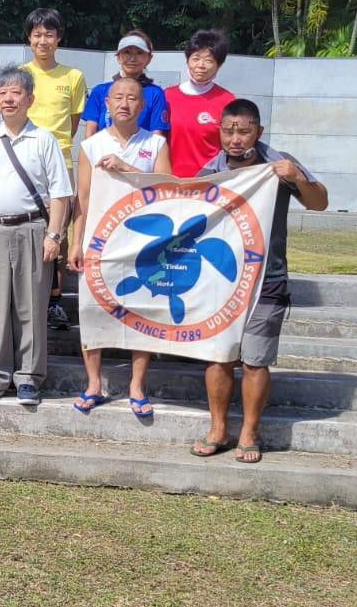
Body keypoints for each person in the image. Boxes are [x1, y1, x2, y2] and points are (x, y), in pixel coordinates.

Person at [192, 99, 329, 463]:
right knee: (218, 357)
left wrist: (297, 177)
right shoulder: (211, 171)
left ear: (259, 131)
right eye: (228, 131)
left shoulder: (279, 165)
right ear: (220, 132)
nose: (235, 139)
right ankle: (218, 428)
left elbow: (320, 203)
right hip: (221, 280)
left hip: (267, 278)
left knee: (255, 360)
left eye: (244, 130)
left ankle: (250, 431)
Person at [0, 65, 72, 406]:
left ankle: (28, 377)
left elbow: (60, 194)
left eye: (16, 93)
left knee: (31, 307)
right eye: (3, 93)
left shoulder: (44, 140)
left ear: (30, 99)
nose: (9, 99)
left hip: (33, 230)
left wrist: (54, 235)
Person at [69, 76, 173, 417]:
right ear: (107, 104)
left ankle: (136, 386)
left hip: (143, 244)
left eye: (132, 98)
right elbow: (82, 200)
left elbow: (167, 190)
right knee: (92, 308)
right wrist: (76, 241)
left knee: (142, 311)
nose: (125, 103)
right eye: (118, 98)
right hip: (101, 242)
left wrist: (128, 168)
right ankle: (94, 383)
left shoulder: (155, 145)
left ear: (142, 106)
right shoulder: (91, 145)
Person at [20, 8, 85, 332]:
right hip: (23, 162)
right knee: (24, 229)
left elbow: (72, 125)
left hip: (59, 161)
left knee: (56, 234)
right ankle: (26, 300)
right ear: (29, 38)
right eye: (37, 34)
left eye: (49, 34)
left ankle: (55, 302)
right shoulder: (20, 74)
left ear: (58, 38)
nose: (42, 40)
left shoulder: (73, 77)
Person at [165, 29, 237, 178]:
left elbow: (232, 145)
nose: (201, 65)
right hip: (170, 184)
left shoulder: (227, 100)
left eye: (209, 60)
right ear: (187, 60)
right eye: (196, 58)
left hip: (209, 185)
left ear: (219, 65)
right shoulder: (167, 96)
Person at [80, 31, 169, 139]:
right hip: (104, 155)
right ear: (118, 57)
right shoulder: (100, 91)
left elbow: (157, 137)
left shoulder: (155, 94)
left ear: (149, 58)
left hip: (140, 154)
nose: (132, 58)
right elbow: (90, 133)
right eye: (127, 52)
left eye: (139, 53)